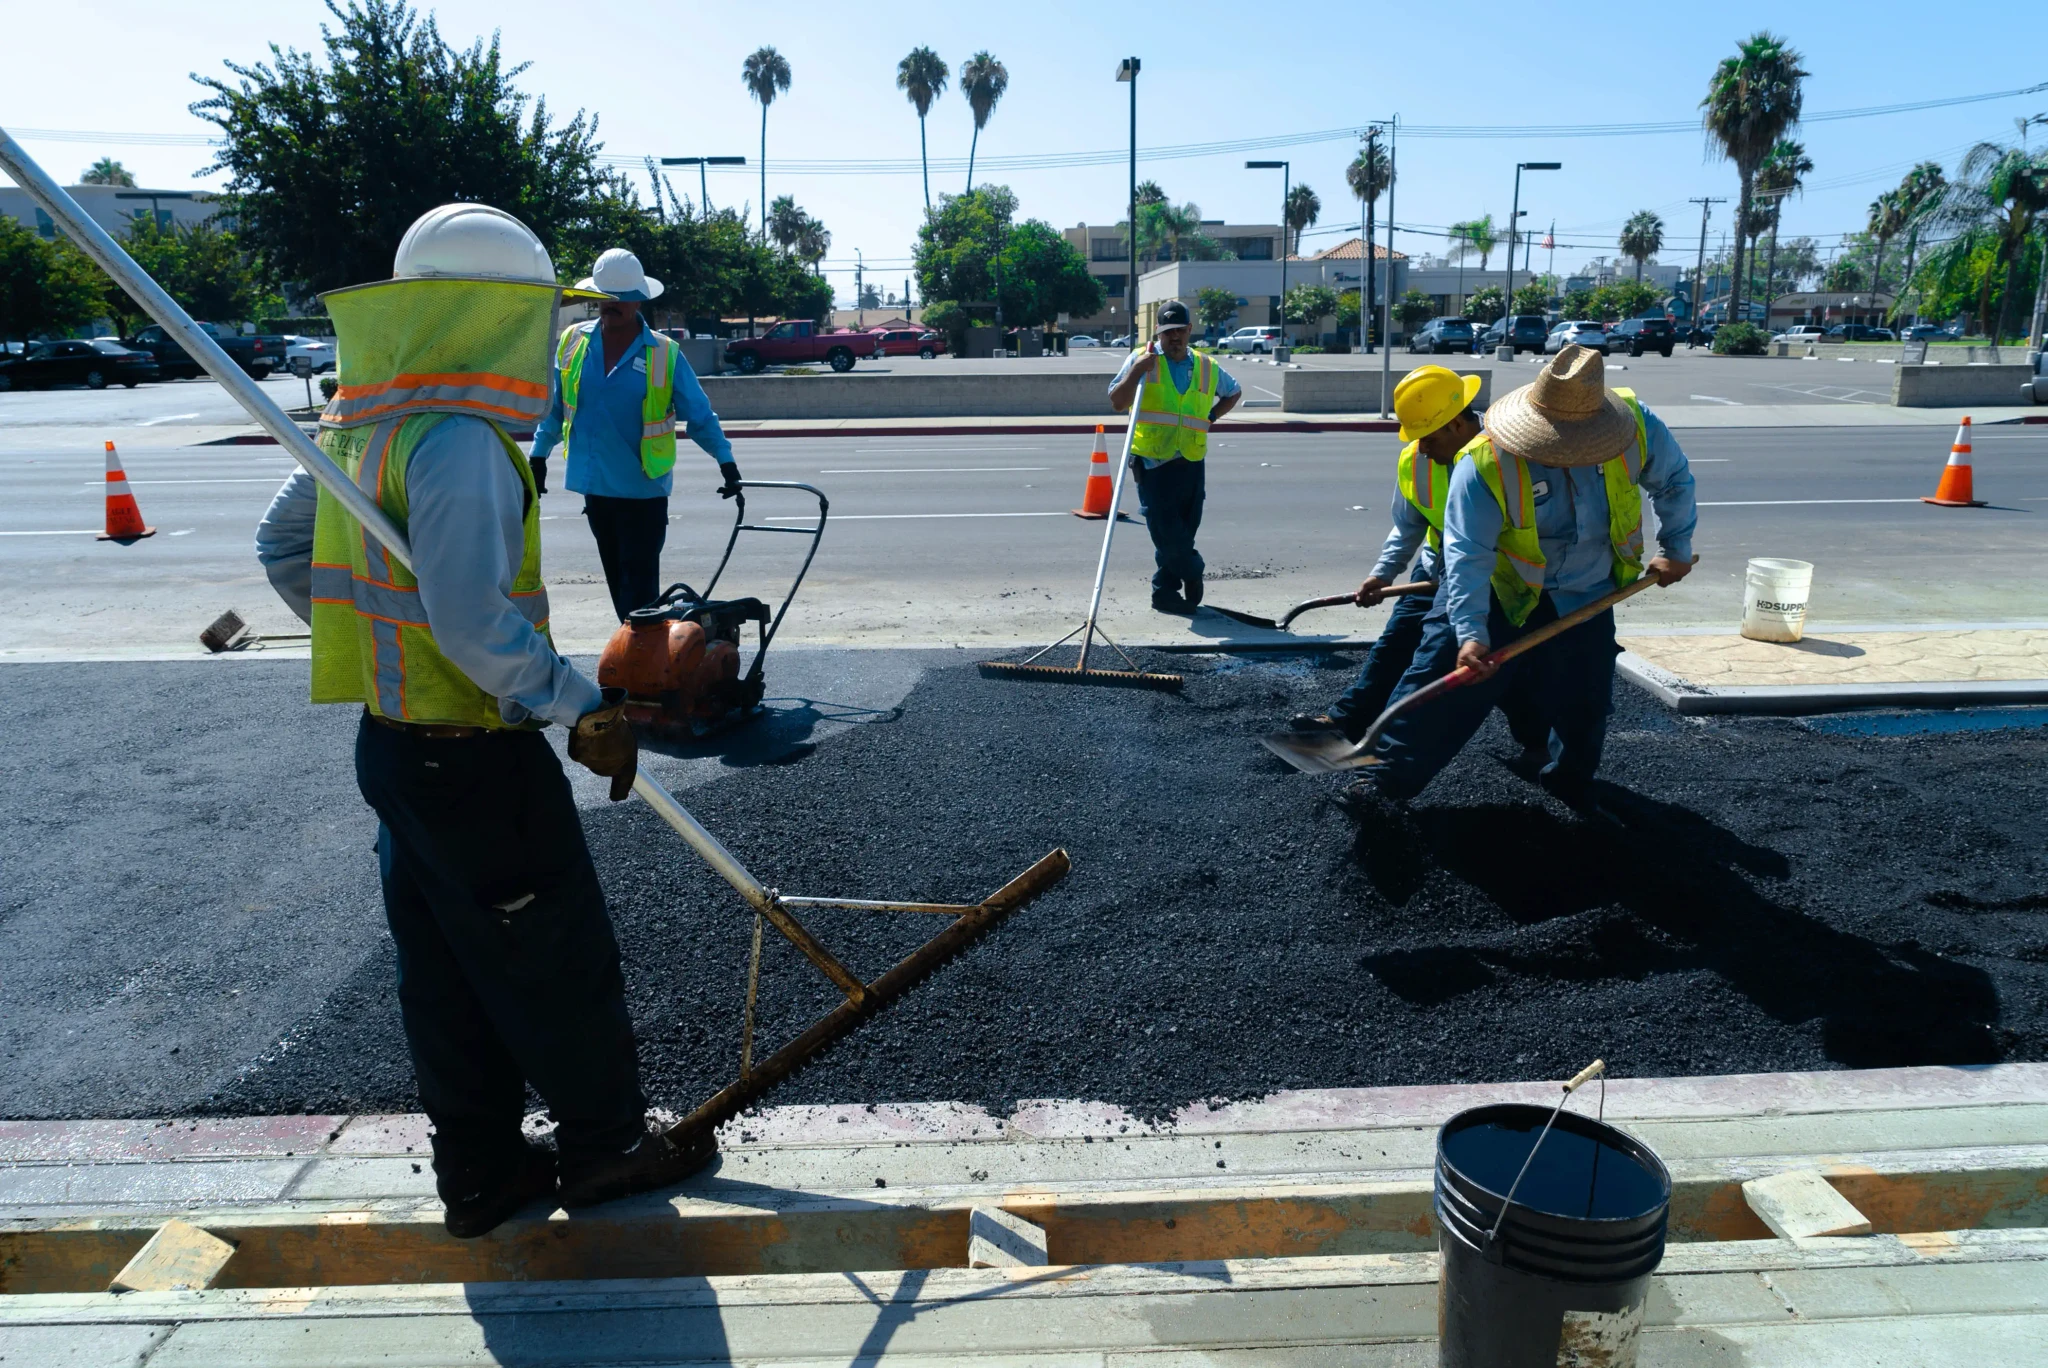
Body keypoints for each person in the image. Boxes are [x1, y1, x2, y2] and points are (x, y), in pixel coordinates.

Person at [256, 204, 714, 1240]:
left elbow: (282, 553)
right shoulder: (457, 441)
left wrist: (388, 652)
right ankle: (605, 1149)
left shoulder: (358, 423)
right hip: (472, 757)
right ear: (484, 315)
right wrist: (578, 703)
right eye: (532, 310)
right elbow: (468, 621)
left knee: (448, 972)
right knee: (551, 953)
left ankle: (483, 1172)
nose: (540, 329)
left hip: (394, 750)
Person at [1343, 344, 1697, 816]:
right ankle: (1382, 781)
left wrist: (1674, 549)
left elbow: (1673, 482)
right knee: (1442, 672)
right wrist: (1471, 635)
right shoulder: (1485, 460)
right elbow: (1467, 553)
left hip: (1587, 590)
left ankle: (1569, 783)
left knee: (1585, 700)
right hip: (1500, 587)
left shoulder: (1636, 425)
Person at [530, 248, 740, 622]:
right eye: (605, 300)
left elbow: (700, 417)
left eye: (621, 300)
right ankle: (636, 665)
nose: (611, 307)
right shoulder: (574, 341)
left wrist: (727, 463)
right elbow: (559, 407)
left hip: (643, 492)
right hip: (596, 489)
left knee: (639, 592)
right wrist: (538, 455)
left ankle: (644, 670)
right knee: (619, 588)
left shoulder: (664, 353)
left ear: (639, 300)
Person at [1290, 365, 1488, 739]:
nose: (1421, 448)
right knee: (1396, 642)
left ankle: (1388, 742)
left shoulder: (1498, 454)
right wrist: (1383, 573)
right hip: (1435, 567)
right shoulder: (1416, 458)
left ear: (1457, 426)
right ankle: (1348, 720)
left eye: (1427, 437)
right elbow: (1409, 524)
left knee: (1443, 654)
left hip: (1486, 573)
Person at [1106, 299, 1243, 612]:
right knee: (1167, 533)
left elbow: (1233, 392)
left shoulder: (1207, 366)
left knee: (1184, 531)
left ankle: (1165, 593)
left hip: (1192, 460)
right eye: (1168, 332)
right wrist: (1137, 372)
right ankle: (1192, 571)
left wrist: (1211, 417)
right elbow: (1116, 401)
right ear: (1158, 333)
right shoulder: (1142, 359)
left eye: (1180, 330)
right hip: (1153, 462)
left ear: (1190, 330)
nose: (1175, 337)